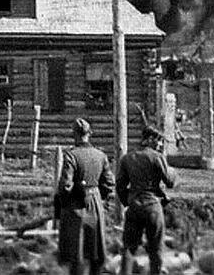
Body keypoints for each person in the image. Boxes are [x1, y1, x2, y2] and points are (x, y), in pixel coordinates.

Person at [55, 118, 115, 275]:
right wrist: (99, 200)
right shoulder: (101, 156)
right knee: (95, 251)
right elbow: (109, 184)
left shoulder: (71, 156)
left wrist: (64, 204)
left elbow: (66, 186)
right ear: (89, 134)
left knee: (76, 254)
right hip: (95, 204)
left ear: (75, 135)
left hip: (75, 205)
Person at [117, 126, 177, 275]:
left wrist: (128, 203)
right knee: (155, 249)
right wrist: (171, 169)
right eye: (159, 141)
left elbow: (120, 186)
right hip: (153, 207)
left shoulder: (127, 158)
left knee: (129, 248)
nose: (161, 145)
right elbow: (170, 182)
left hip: (134, 207)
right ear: (150, 139)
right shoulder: (157, 157)